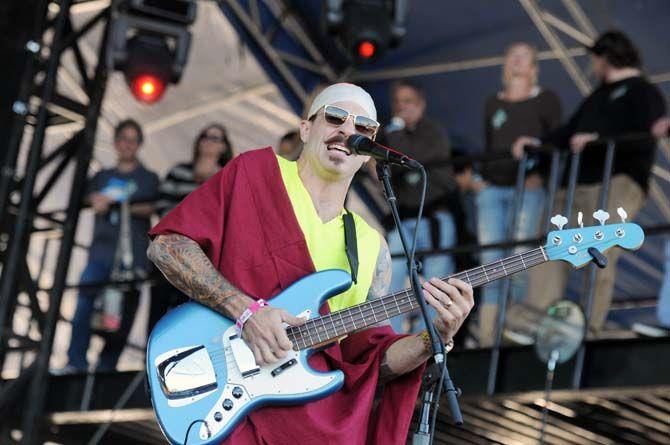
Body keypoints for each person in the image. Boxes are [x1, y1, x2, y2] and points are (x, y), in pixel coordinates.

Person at [147, 83, 474, 444]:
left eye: (363, 127)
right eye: (335, 117)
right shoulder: (254, 174)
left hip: (313, 426)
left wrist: (436, 337)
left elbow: (368, 364)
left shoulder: (371, 248)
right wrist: (246, 312)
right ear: (306, 128)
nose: (348, 132)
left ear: (369, 151)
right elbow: (167, 246)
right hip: (229, 400)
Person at [515, 30, 668, 335]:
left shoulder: (644, 92)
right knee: (552, 244)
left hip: (619, 180)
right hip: (577, 182)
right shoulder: (597, 95)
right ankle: (539, 324)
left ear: (605, 57)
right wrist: (537, 142)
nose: (592, 67)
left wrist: (599, 141)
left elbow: (644, 137)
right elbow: (570, 130)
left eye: (594, 60)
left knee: (602, 247)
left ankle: (589, 326)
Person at [477, 42, 562, 346]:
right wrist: (481, 179)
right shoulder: (492, 103)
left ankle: (516, 331)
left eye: (523, 56)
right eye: (511, 55)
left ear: (534, 68)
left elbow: (557, 141)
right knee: (490, 264)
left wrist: (538, 159)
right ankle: (488, 337)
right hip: (493, 189)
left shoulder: (547, 99)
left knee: (519, 261)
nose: (515, 61)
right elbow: (488, 145)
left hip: (528, 186)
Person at [65, 119, 159, 372]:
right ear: (116, 143)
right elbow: (83, 197)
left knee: (125, 313)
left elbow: (155, 205)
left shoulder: (147, 177)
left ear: (138, 144)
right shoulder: (102, 176)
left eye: (132, 139)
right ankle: (76, 361)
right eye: (123, 139)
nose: (127, 144)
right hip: (100, 253)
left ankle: (107, 366)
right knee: (85, 301)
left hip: (133, 257)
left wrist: (116, 203)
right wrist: (95, 198)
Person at [378, 80, 457, 334]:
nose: (402, 107)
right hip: (403, 217)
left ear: (421, 104)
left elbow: (409, 160)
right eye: (398, 102)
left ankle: (427, 339)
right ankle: (390, 339)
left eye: (408, 101)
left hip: (434, 215)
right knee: (389, 279)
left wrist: (397, 131)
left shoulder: (433, 131)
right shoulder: (390, 134)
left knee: (437, 284)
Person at [148, 123, 234, 333]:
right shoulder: (179, 171)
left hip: (206, 258)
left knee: (191, 310)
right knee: (158, 308)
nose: (209, 141)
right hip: (171, 250)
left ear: (224, 146)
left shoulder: (228, 176)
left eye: (216, 138)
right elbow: (161, 206)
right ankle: (151, 358)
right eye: (205, 136)